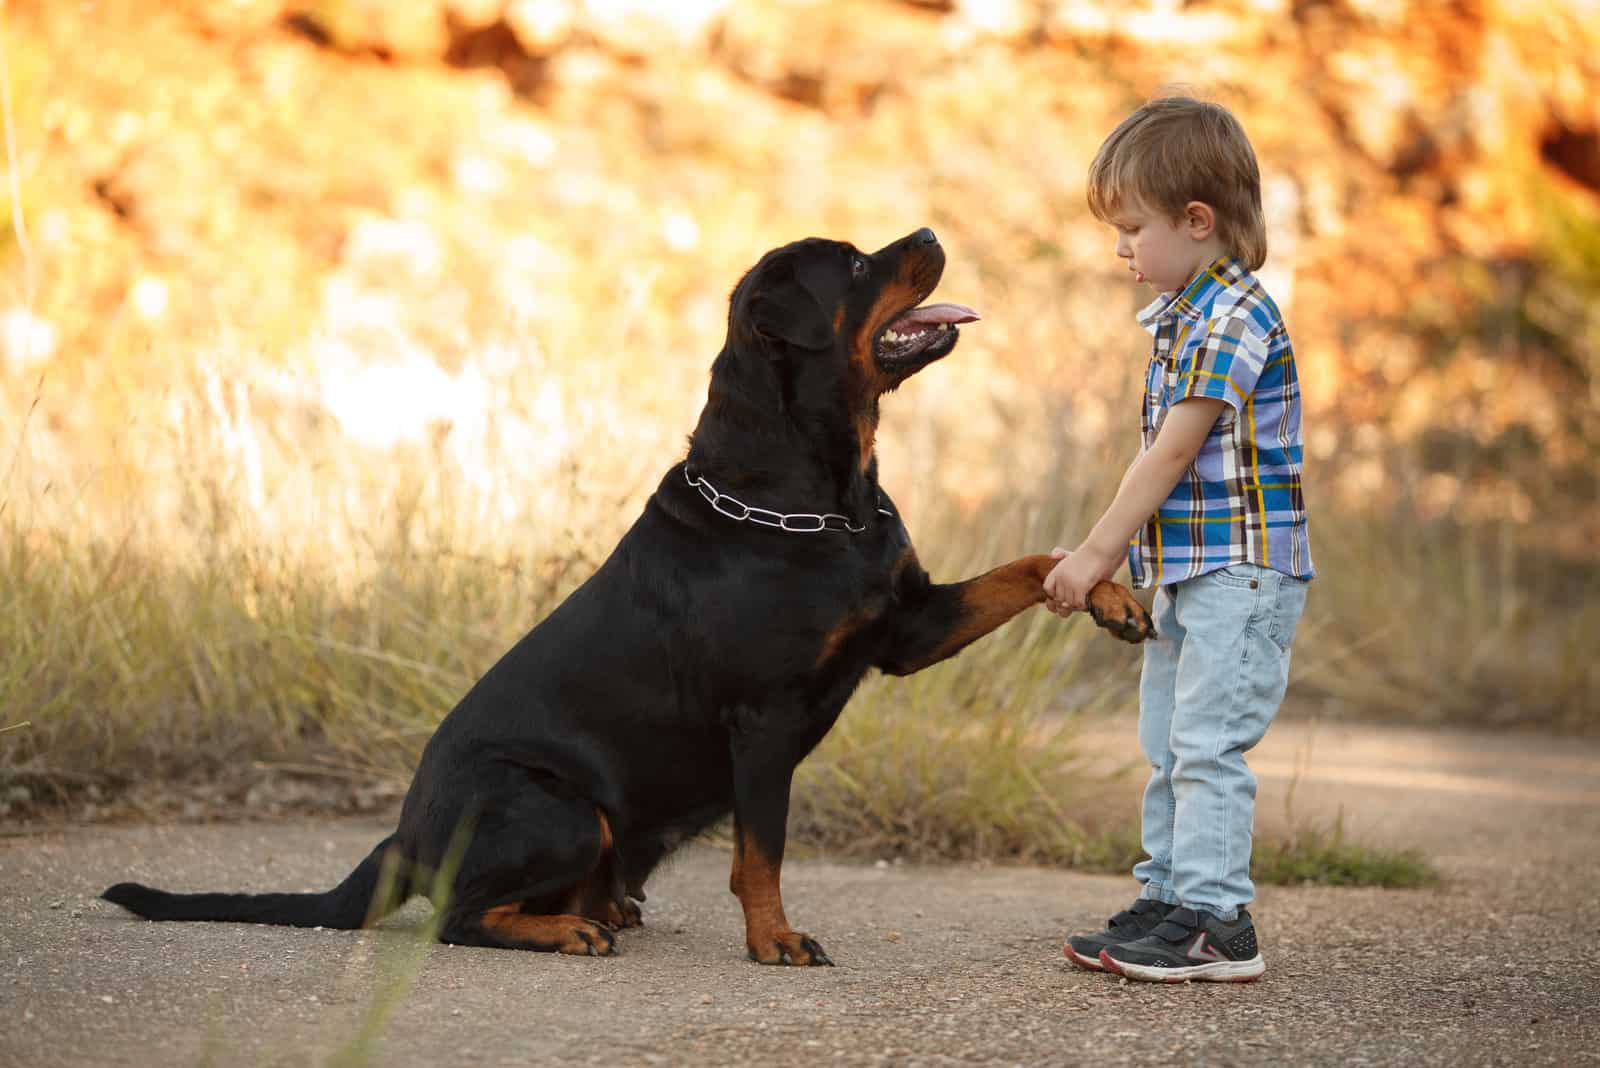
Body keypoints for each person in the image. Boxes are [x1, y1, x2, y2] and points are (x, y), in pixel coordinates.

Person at [1044, 94, 1313, 983]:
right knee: (1167, 742)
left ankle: (1217, 923)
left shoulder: (1233, 317)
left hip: (1241, 575)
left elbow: (1170, 454)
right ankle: (1167, 894)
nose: (1120, 249)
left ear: (1196, 222)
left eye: (1131, 229)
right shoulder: (1182, 314)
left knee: (1206, 746)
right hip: (1194, 572)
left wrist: (1095, 555)